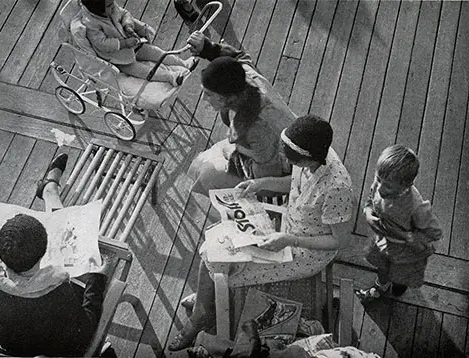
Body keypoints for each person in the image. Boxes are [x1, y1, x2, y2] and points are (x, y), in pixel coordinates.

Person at [168, 115, 355, 351]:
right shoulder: (314, 157)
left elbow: (340, 240)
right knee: (212, 245)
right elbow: (294, 182)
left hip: (304, 251)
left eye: (289, 156)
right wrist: (260, 183)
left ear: (307, 158)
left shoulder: (337, 188)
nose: (283, 158)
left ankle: (201, 313)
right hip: (286, 227)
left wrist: (289, 239)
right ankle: (204, 306)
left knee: (225, 265)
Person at [0, 154, 109, 357]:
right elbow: (85, 331)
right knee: (69, 241)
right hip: (52, 349)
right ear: (45, 251)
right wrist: (96, 280)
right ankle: (50, 191)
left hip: (7, 344)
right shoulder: (58, 292)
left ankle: (49, 190)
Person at [186, 31, 297, 195]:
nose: (203, 99)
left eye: (209, 94)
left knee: (206, 176)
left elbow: (266, 176)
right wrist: (208, 49)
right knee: (198, 164)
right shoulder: (246, 78)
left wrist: (241, 150)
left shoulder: (256, 127)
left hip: (283, 171)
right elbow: (240, 59)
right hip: (257, 149)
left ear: (227, 98)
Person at [356, 145, 443, 301]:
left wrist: (405, 236)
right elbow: (370, 199)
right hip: (382, 241)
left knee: (400, 277)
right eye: (378, 179)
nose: (380, 188)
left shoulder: (416, 207)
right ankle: (381, 285)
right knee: (381, 266)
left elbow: (434, 233)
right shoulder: (380, 185)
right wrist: (368, 213)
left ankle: (397, 288)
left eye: (388, 185)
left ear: (406, 185)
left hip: (405, 251)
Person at [81, 0, 198, 86]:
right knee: (142, 71)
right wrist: (124, 43)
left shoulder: (111, 8)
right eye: (109, 5)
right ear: (97, 9)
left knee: (157, 53)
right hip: (119, 58)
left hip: (134, 44)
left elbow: (125, 14)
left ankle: (184, 63)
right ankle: (171, 77)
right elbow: (102, 44)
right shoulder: (91, 24)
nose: (113, 6)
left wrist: (128, 26)